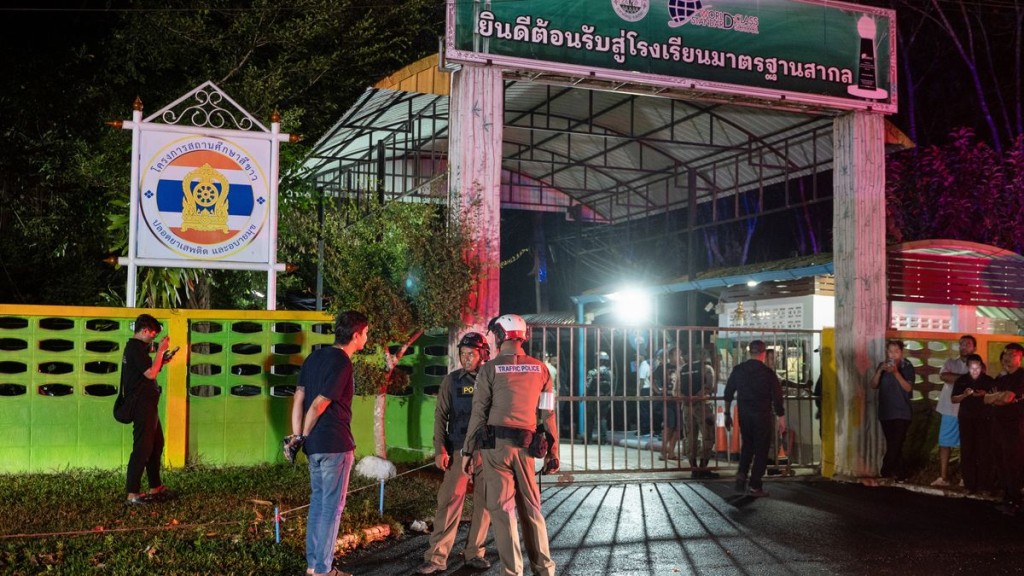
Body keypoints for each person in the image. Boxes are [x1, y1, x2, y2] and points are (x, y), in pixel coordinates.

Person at [461, 314, 558, 576]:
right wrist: (554, 453)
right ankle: (544, 568)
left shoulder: (489, 369)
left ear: (502, 335)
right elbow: (548, 414)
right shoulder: (542, 369)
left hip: (495, 449)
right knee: (532, 507)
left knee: (503, 511)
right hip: (527, 448)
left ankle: (512, 572)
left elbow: (479, 413)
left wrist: (468, 451)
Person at [286, 310, 368, 576]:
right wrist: (302, 435)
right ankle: (323, 570)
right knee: (331, 510)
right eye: (365, 334)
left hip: (314, 449)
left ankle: (313, 566)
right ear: (356, 335)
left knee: (318, 505)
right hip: (335, 444)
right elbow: (319, 404)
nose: (366, 338)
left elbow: (299, 398)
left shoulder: (314, 357)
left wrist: (297, 437)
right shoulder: (343, 362)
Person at [417, 333, 493, 574]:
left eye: (471, 353)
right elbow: (441, 415)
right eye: (462, 354)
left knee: (484, 503)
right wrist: (439, 448)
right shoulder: (452, 381)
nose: (466, 358)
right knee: (448, 501)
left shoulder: (493, 379)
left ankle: (475, 553)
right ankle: (437, 557)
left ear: (484, 354)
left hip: (487, 451)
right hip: (458, 449)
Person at [122, 313, 175, 505]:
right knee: (142, 448)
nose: (153, 337)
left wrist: (162, 359)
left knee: (156, 445)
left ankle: (155, 487)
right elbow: (151, 374)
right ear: (144, 331)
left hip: (148, 405)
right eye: (152, 334)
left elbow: (146, 372)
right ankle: (132, 494)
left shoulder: (139, 349)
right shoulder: (134, 348)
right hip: (141, 406)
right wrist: (160, 351)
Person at [724, 340, 786, 497]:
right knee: (761, 450)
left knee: (747, 446)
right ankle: (755, 485)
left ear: (749, 352)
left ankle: (741, 475)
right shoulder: (768, 373)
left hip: (744, 415)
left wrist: (726, 414)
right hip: (762, 416)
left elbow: (728, 392)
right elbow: (777, 398)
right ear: (763, 353)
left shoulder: (739, 370)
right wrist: (781, 418)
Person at [984, 343, 1024, 516]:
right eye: (1006, 354)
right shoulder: (1000, 378)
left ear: (1020, 357)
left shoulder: (1022, 377)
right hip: (997, 425)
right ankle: (1007, 497)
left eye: (1013, 354)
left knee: (1013, 463)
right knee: (1000, 461)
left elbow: (1008, 398)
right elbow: (986, 398)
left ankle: (1016, 501)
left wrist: (999, 397)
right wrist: (998, 397)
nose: (1008, 357)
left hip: (1015, 427)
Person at [932, 335, 976, 487]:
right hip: (949, 409)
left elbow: (977, 380)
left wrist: (958, 378)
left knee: (967, 444)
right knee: (945, 443)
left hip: (969, 411)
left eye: (968, 344)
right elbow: (944, 376)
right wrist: (966, 379)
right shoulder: (950, 362)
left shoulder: (978, 364)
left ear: (974, 347)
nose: (964, 346)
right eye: (961, 344)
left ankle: (966, 477)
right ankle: (943, 477)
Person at [869, 340, 916, 481]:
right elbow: (873, 385)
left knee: (896, 442)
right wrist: (879, 371)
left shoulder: (906, 366)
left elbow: (908, 388)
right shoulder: (882, 366)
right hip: (886, 412)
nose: (893, 355)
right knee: (894, 444)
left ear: (901, 352)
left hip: (902, 412)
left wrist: (896, 372)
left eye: (896, 352)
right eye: (890, 352)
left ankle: (885, 470)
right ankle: (899, 473)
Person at [951, 353, 994, 495]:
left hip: (984, 420)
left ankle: (985, 486)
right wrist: (964, 395)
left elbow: (996, 398)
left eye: (977, 367)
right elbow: (954, 399)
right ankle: (969, 484)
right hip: (966, 419)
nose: (975, 370)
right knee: (967, 451)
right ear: (967, 367)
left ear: (981, 367)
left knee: (984, 452)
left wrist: (984, 395)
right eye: (972, 367)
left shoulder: (988, 381)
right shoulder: (962, 380)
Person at [682, 344, 719, 478]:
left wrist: (688, 400)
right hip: (703, 406)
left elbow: (677, 390)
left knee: (690, 437)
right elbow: (709, 387)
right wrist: (698, 397)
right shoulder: (707, 369)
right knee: (708, 437)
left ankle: (693, 468)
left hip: (686, 407)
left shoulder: (683, 369)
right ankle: (703, 467)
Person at [585, 350, 614, 442]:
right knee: (602, 418)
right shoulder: (610, 372)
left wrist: (585, 395)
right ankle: (603, 439)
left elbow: (588, 386)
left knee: (590, 419)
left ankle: (588, 439)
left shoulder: (592, 372)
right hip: (605, 398)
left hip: (593, 397)